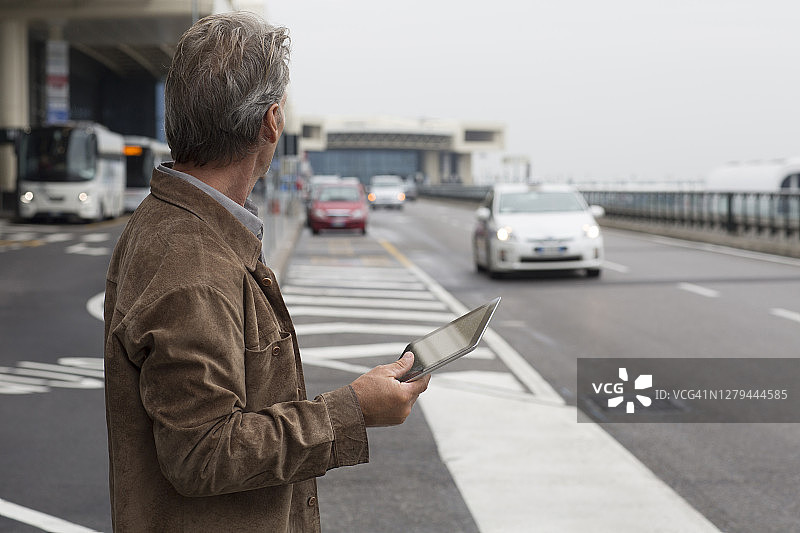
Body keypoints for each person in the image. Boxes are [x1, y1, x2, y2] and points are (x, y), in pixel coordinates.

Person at [103, 12, 429, 532]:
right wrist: (354, 410)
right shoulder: (192, 263)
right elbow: (202, 452)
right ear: (271, 121)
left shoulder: (177, 227)